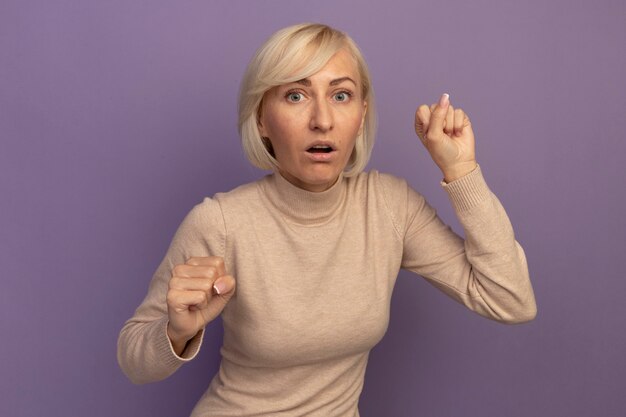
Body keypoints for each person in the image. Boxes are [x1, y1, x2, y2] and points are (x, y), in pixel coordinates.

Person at [117, 23, 536, 416]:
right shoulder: (220, 222)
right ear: (262, 118)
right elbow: (134, 360)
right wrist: (175, 332)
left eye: (340, 95)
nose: (322, 120)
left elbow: (510, 300)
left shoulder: (389, 206)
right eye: (296, 96)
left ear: (361, 113)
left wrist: (463, 172)